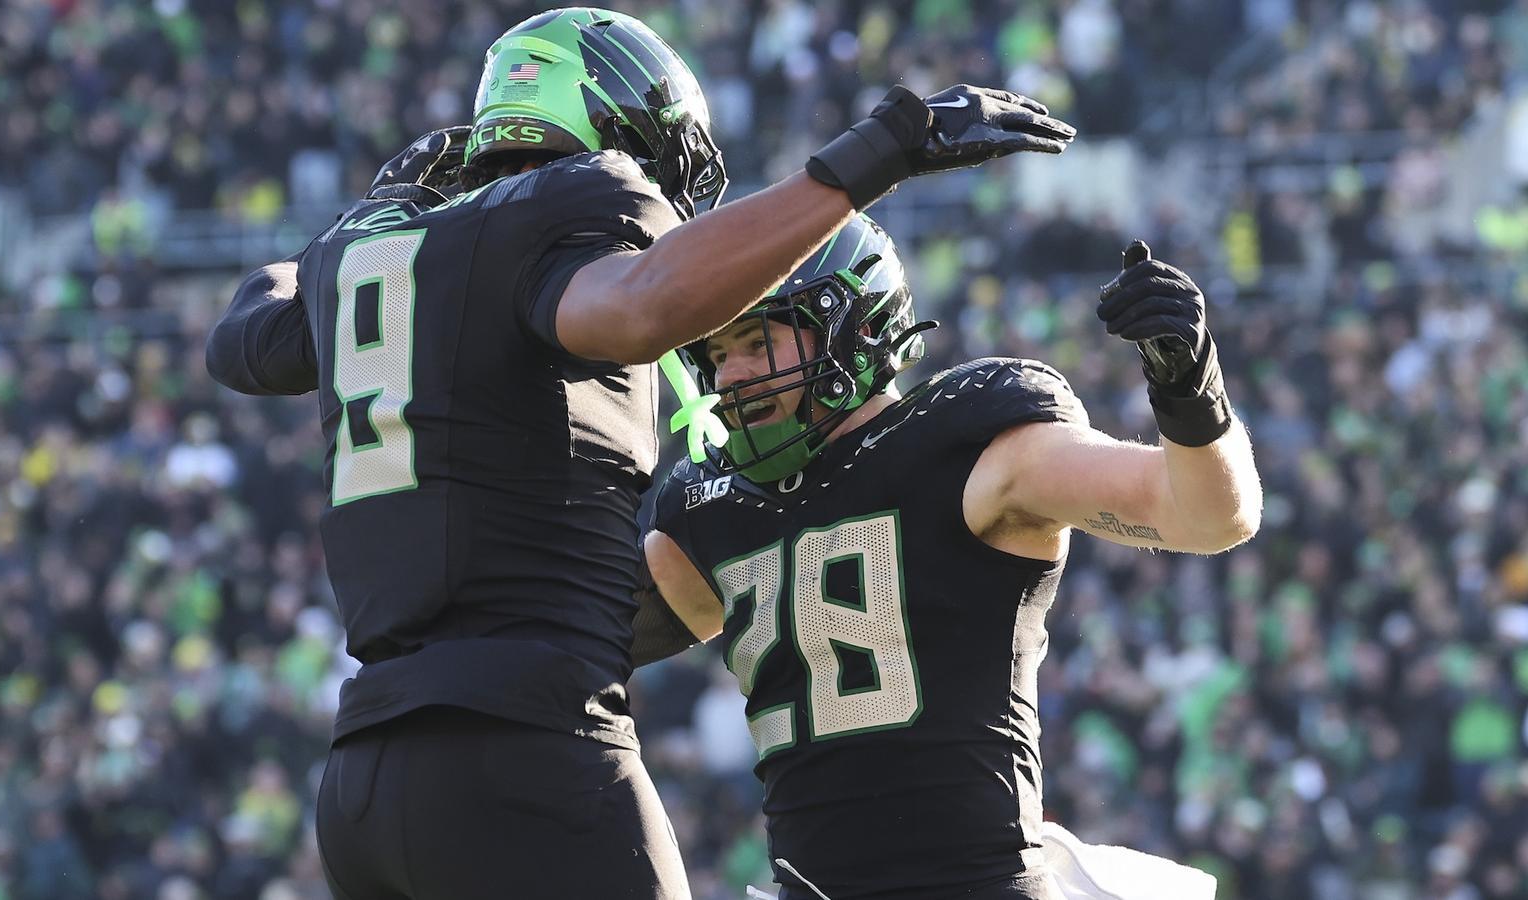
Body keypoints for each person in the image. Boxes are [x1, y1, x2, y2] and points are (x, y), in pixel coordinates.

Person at [203, 6, 1078, 898]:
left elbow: (242, 343)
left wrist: (358, 223)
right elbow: (640, 307)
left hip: (363, 778)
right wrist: (875, 157)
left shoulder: (371, 253)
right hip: (525, 752)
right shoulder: (567, 206)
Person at [640, 217, 1263, 900]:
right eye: (716, 353)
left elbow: (1209, 518)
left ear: (852, 327)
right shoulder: (714, 509)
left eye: (755, 342)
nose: (730, 375)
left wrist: (1191, 391)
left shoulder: (966, 444)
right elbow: (574, 640)